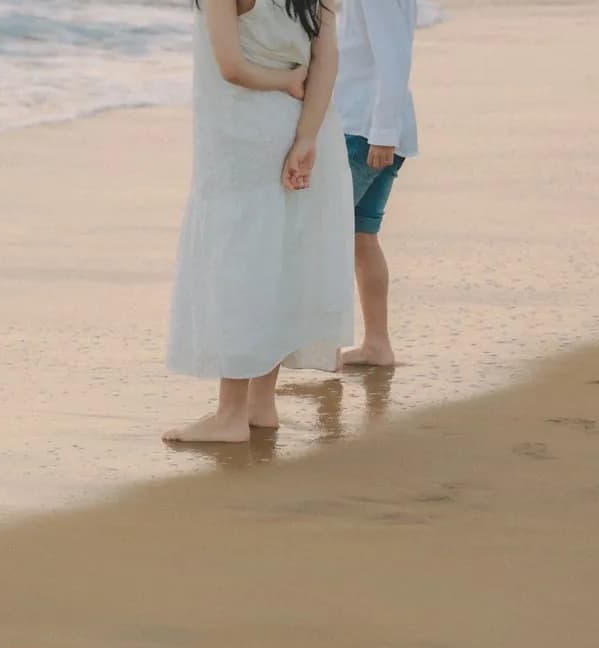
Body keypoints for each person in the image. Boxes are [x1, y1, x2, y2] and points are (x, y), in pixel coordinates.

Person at [164, 0, 353, 443]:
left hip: (242, 134)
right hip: (303, 126)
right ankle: (260, 403)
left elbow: (231, 67)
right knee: (278, 261)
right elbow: (326, 60)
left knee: (240, 265)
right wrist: (306, 137)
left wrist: (282, 79)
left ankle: (230, 414)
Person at [336, 0, 419, 367]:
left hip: (364, 131)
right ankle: (376, 344)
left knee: (325, 239)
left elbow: (393, 58)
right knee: (361, 238)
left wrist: (383, 133)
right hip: (377, 129)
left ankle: (322, 349)